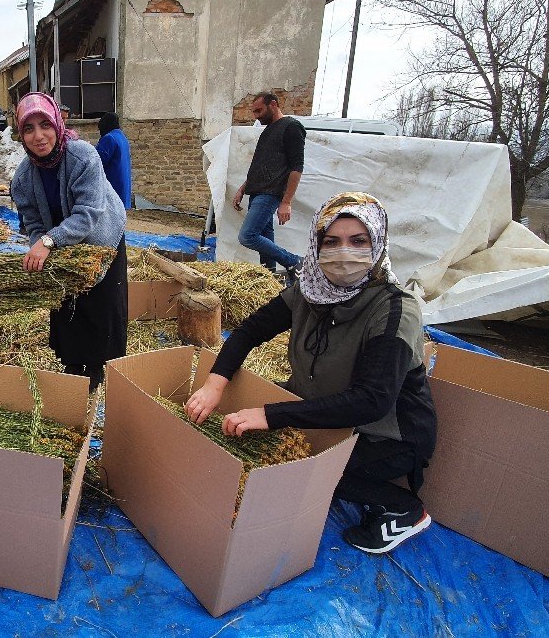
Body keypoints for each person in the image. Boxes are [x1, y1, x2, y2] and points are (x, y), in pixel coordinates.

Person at [185, 192, 437, 554]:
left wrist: (271, 415)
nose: (344, 253)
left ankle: (405, 510)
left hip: (386, 433)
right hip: (320, 405)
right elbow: (248, 331)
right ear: (316, 245)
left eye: (358, 241)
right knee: (244, 430)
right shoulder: (309, 290)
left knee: (307, 467)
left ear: (377, 244)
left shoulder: (394, 310)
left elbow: (372, 401)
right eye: (331, 242)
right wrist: (214, 384)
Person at [11, 92, 128, 392]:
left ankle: (99, 364)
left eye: (44, 125)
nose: (38, 136)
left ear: (57, 123)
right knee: (66, 301)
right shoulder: (23, 178)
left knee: (101, 301)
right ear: (21, 134)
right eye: (29, 128)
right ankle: (73, 360)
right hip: (59, 242)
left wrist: (49, 241)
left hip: (101, 233)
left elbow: (88, 213)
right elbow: (33, 222)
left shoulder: (83, 156)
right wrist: (41, 243)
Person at [232, 92, 305, 277]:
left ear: (273, 104)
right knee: (264, 239)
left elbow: (297, 167)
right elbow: (260, 166)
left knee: (247, 236)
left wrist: (286, 202)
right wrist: (242, 189)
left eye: (259, 110)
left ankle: (293, 261)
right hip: (257, 192)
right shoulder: (267, 131)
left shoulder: (291, 127)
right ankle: (269, 278)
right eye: (254, 112)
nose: (256, 116)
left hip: (270, 193)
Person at [95, 112, 133, 209]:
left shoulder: (109, 138)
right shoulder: (122, 137)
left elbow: (97, 162)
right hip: (123, 187)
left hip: (112, 186)